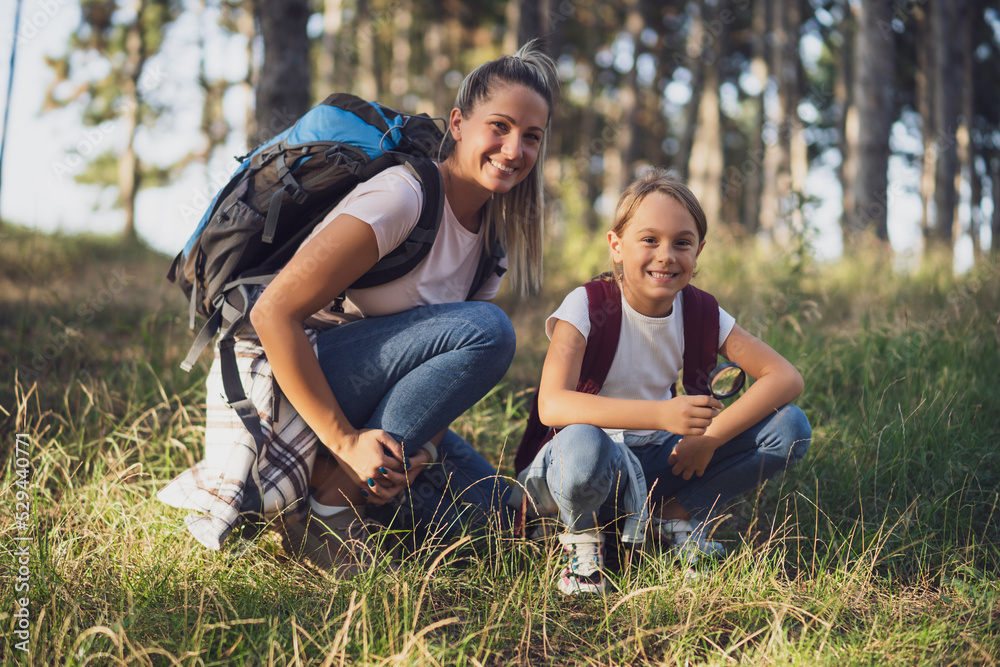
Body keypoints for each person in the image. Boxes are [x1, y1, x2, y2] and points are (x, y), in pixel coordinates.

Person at [158, 41, 559, 576]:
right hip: (293, 380)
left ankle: (337, 494)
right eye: (500, 127)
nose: (514, 150)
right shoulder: (403, 196)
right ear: (459, 124)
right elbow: (273, 314)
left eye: (531, 137)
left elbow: (444, 375)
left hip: (371, 406)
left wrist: (420, 453)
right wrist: (348, 444)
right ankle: (331, 506)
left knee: (503, 523)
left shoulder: (491, 248)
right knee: (490, 331)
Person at [513, 168, 811, 595]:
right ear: (616, 246)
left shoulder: (699, 311)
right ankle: (581, 540)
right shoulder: (586, 305)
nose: (666, 255)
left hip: (656, 461)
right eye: (649, 239)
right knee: (585, 443)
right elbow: (553, 405)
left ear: (699, 251)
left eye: (682, 243)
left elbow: (785, 377)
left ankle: (675, 515)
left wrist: (709, 438)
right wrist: (661, 414)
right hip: (575, 463)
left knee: (791, 428)